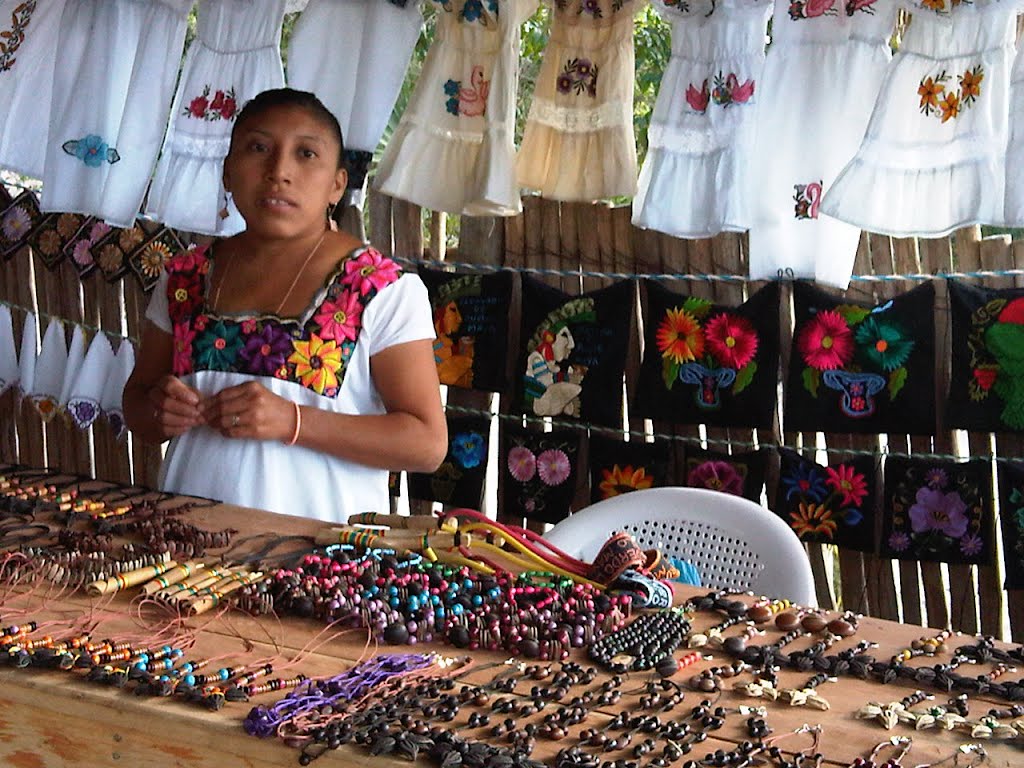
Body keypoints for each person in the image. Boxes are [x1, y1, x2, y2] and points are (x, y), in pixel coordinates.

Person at [124, 88, 447, 522]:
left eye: (306, 154)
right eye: (258, 148)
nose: (279, 172)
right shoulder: (184, 279)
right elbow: (138, 405)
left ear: (337, 185)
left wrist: (292, 421)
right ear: (227, 172)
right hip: (187, 551)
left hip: (321, 566)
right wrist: (158, 411)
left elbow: (426, 444)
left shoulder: (381, 289)